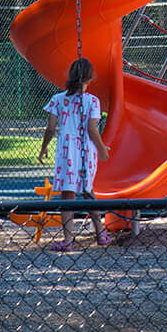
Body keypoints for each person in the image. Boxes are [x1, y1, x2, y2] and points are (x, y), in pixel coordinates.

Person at [38, 57, 111, 251]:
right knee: (88, 191)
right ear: (90, 78)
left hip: (66, 150)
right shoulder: (92, 101)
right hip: (86, 150)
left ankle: (68, 240)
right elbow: (92, 129)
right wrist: (102, 149)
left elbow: (51, 128)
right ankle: (101, 234)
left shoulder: (57, 100)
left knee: (67, 194)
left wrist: (44, 147)